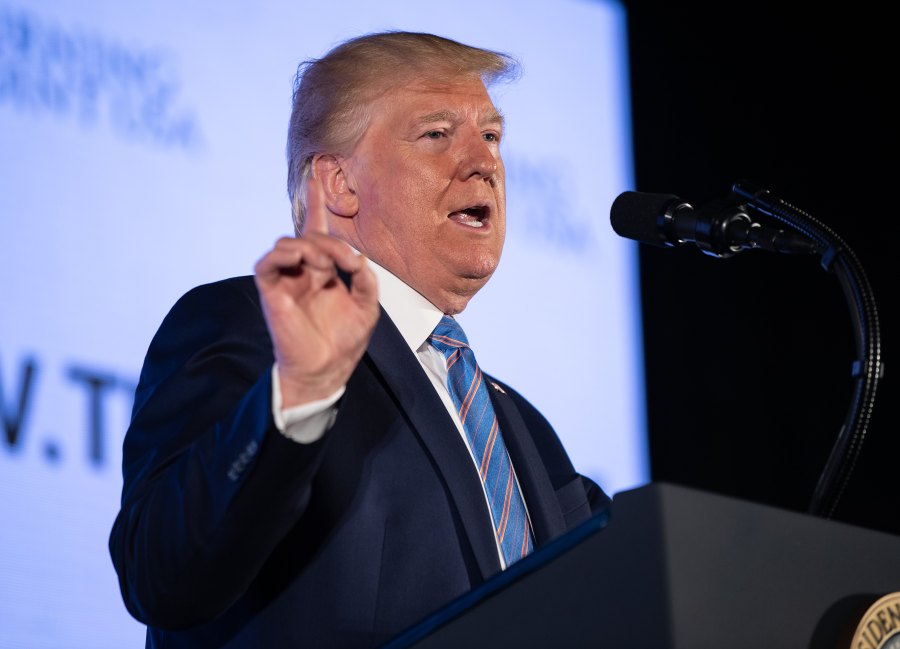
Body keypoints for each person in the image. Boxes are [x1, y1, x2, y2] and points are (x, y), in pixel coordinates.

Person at [109, 30, 610, 649]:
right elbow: (162, 575)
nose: (484, 161)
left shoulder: (524, 432)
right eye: (436, 134)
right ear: (338, 184)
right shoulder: (247, 328)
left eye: (491, 135)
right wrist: (300, 392)